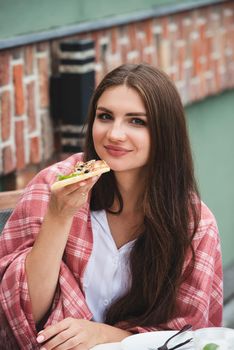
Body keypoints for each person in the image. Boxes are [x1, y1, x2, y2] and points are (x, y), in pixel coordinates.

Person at [0, 63, 223, 350]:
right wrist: (59, 215)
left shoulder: (193, 223)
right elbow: (21, 313)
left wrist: (104, 335)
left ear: (165, 133)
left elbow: (187, 335)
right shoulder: (54, 187)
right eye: (105, 117)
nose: (115, 134)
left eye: (136, 121)